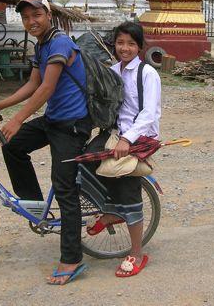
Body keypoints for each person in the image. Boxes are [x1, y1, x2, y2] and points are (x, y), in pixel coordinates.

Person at [0, 0, 92, 286]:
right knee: (13, 146)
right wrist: (0, 105)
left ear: (48, 15)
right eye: (26, 17)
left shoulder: (59, 42)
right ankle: (35, 208)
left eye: (37, 15)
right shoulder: (41, 45)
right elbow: (32, 84)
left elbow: (46, 88)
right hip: (55, 120)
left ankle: (72, 259)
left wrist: (18, 119)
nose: (31, 21)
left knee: (65, 186)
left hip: (72, 125)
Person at [87, 21, 161, 277]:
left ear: (139, 47)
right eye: (120, 43)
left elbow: (148, 114)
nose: (125, 48)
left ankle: (137, 253)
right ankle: (111, 211)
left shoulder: (148, 74)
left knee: (128, 186)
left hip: (140, 136)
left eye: (131, 43)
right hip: (116, 133)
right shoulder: (112, 70)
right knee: (85, 161)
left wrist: (127, 140)